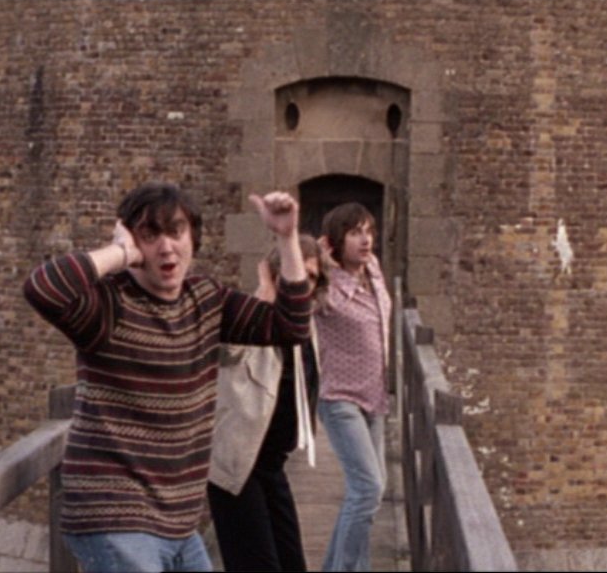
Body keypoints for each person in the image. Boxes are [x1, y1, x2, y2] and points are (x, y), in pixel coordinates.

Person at [23, 182, 313, 573]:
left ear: (193, 237)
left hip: (178, 522)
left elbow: (291, 326)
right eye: (149, 235)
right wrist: (120, 253)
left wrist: (287, 238)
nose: (165, 246)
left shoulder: (206, 301)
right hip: (114, 517)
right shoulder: (109, 306)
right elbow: (43, 287)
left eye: (176, 232)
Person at [206, 234, 328, 572]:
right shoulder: (250, 320)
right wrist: (264, 295)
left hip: (272, 465)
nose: (303, 284)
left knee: (293, 564)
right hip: (238, 471)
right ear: (276, 275)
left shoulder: (306, 327)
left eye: (311, 277)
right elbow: (224, 352)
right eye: (295, 274)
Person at [315, 202, 391, 572]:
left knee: (370, 492)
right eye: (355, 233)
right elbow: (294, 287)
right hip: (340, 398)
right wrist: (319, 259)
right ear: (336, 241)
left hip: (375, 398)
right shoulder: (325, 287)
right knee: (368, 489)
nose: (365, 240)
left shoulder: (373, 270)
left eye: (368, 232)